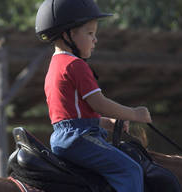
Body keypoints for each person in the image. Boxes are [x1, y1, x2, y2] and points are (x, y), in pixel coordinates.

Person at [35, 0, 152, 192]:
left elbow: (71, 116)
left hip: (64, 137)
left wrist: (107, 123)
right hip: (78, 139)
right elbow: (99, 103)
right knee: (130, 170)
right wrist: (135, 114)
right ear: (69, 34)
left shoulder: (54, 68)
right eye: (90, 33)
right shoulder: (75, 65)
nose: (95, 40)